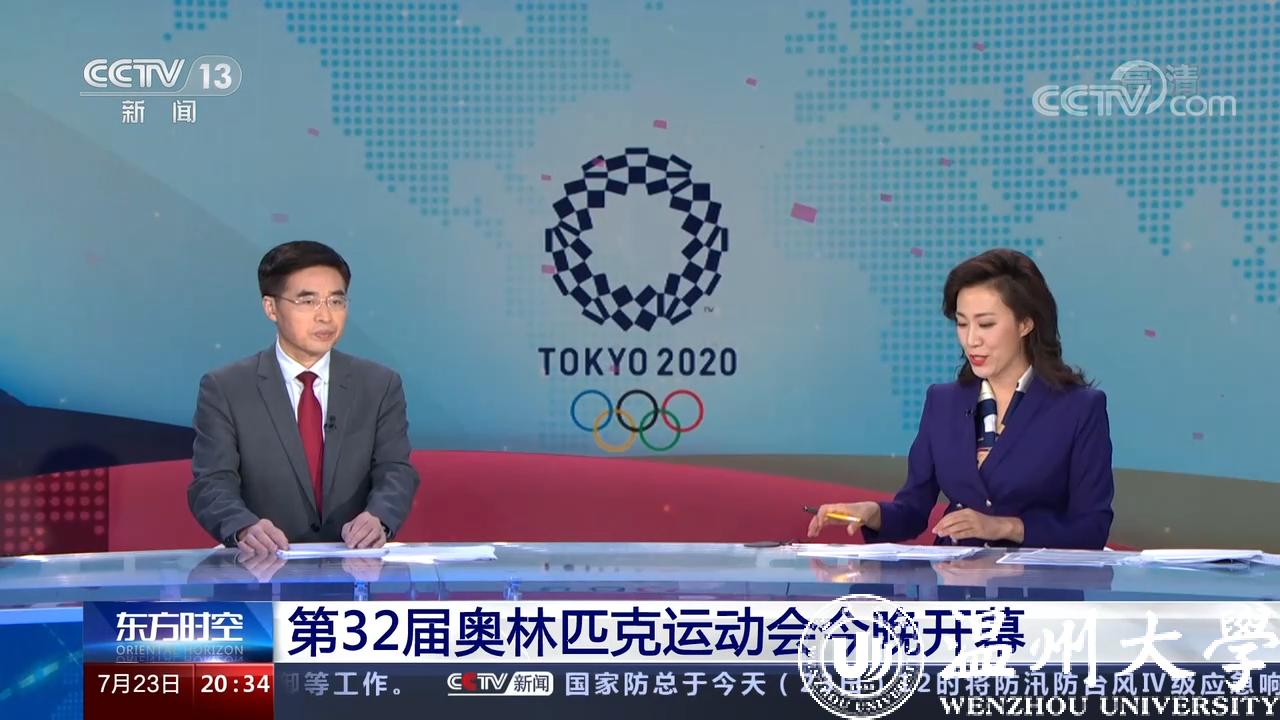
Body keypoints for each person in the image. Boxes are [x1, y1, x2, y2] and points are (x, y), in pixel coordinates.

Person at [808, 248, 1114, 550]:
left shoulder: (1078, 409)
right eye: (962, 323)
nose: (971, 340)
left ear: (1025, 323)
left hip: (1037, 580)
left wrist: (1005, 527)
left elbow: (1092, 529)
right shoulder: (942, 402)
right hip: (953, 576)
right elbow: (912, 510)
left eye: (986, 324)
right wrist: (872, 513)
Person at [188, 241, 420, 553]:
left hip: (355, 564)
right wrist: (242, 526)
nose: (325, 316)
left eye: (336, 301)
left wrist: (379, 517)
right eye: (307, 301)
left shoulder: (379, 385)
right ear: (271, 308)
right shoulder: (226, 388)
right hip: (262, 566)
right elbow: (211, 483)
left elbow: (395, 470)